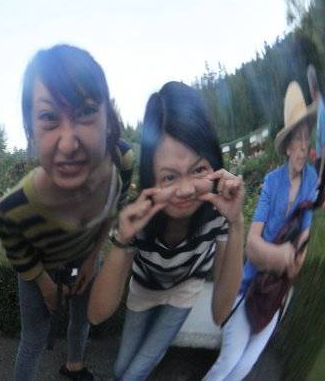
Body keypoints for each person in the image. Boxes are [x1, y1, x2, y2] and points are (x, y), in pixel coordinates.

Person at [0, 44, 135, 381]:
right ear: (30, 131)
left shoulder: (122, 161)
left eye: (85, 112)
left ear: (106, 120)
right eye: (49, 117)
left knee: (81, 318)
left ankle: (74, 367)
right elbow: (20, 253)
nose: (69, 144)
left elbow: (113, 211)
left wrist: (91, 258)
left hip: (85, 254)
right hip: (39, 265)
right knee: (34, 335)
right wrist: (45, 285)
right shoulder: (15, 206)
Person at [87, 81, 245, 381]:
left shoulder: (218, 212)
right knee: (121, 369)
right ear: (151, 178)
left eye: (198, 170)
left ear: (214, 165)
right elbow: (96, 314)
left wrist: (236, 223)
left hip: (183, 291)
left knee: (136, 371)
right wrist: (122, 240)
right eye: (169, 177)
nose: (185, 191)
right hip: (144, 289)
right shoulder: (141, 215)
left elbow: (221, 313)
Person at [203, 81, 318, 381]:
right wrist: (282, 257)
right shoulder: (271, 181)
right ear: (288, 146)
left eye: (307, 139)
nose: (303, 146)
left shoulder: (311, 179)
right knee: (228, 363)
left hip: (276, 294)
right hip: (250, 287)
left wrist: (290, 258)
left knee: (244, 367)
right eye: (298, 139)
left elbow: (304, 241)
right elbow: (252, 246)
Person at [307, 64, 325, 206]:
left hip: (324, 162)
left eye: (309, 88)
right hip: (319, 160)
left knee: (312, 202)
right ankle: (323, 199)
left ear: (313, 89)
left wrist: (320, 176)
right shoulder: (319, 107)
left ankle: (324, 200)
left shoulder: (322, 112)